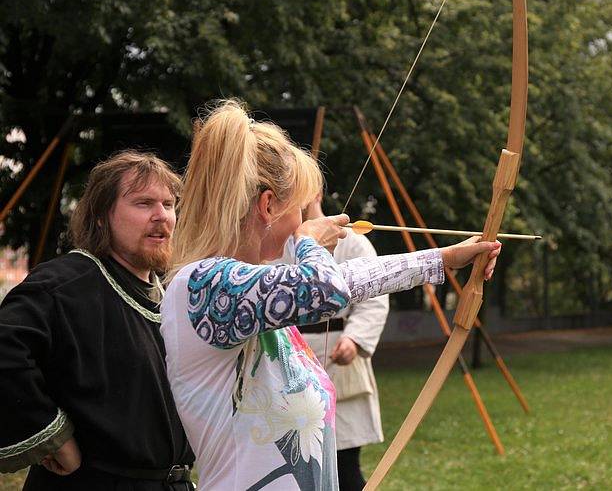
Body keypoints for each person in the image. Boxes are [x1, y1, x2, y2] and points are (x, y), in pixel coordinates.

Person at [160, 99, 501, 490]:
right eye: (302, 209)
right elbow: (326, 290)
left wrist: (443, 260)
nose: (305, 220)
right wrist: (311, 244)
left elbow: (349, 279)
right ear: (268, 206)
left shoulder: (251, 290)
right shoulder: (202, 285)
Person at [0, 151, 195, 490]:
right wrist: (53, 435)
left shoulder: (173, 298)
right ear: (102, 215)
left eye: (168, 203)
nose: (161, 215)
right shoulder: (67, 284)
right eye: (143, 203)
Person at [291, 196, 389, 490]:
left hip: (338, 353)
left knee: (344, 466)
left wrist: (354, 339)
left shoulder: (352, 241)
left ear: (316, 193)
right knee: (297, 465)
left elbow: (375, 295)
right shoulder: (276, 241)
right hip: (292, 356)